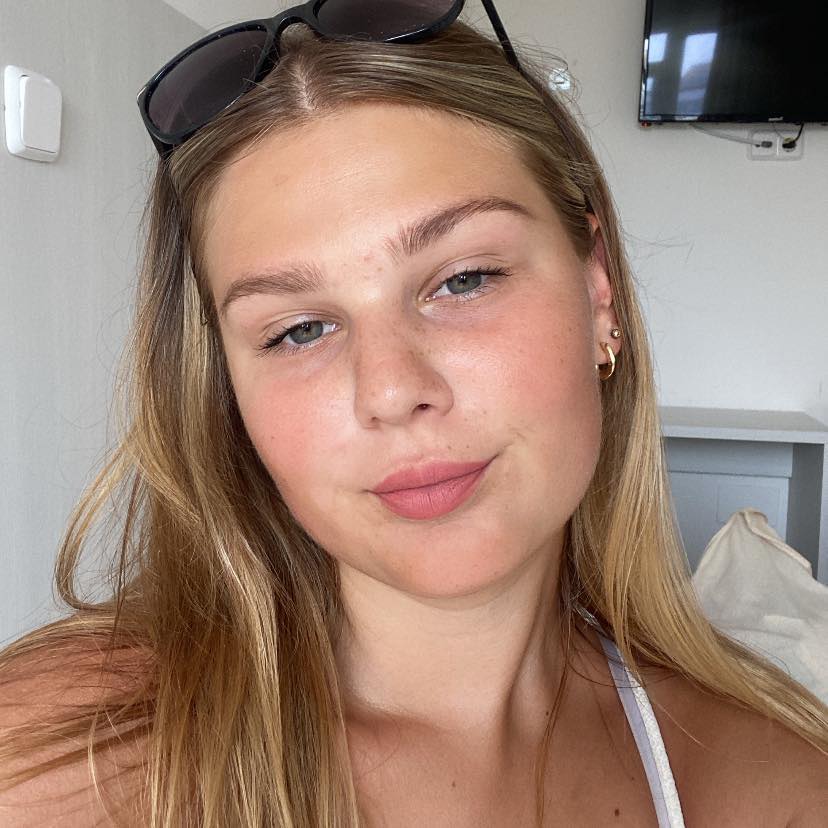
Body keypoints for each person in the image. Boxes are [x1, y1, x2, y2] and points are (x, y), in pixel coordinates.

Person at [1, 2, 826, 825]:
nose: (392, 391)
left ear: (597, 291)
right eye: (299, 330)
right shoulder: (63, 762)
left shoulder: (774, 786)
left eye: (463, 280)